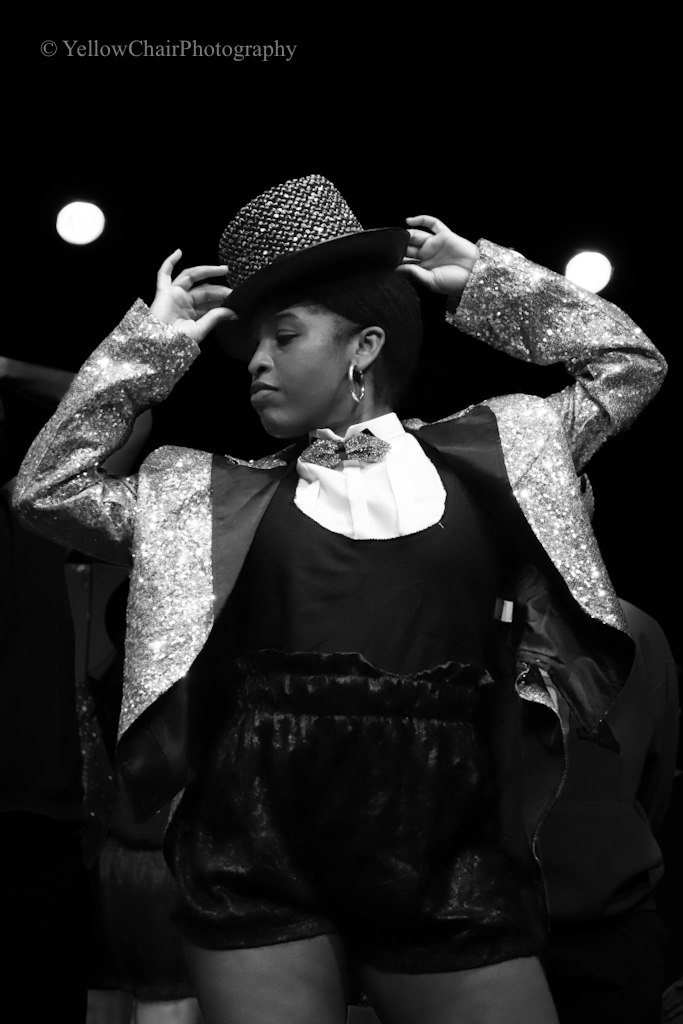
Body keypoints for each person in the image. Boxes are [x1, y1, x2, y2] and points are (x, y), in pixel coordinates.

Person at [14, 174, 667, 1024]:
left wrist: (485, 281)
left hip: (441, 834)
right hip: (255, 832)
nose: (256, 361)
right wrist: (152, 346)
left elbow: (627, 365)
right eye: (252, 343)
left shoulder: (502, 450)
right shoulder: (203, 495)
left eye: (284, 335)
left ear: (364, 347)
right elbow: (47, 490)